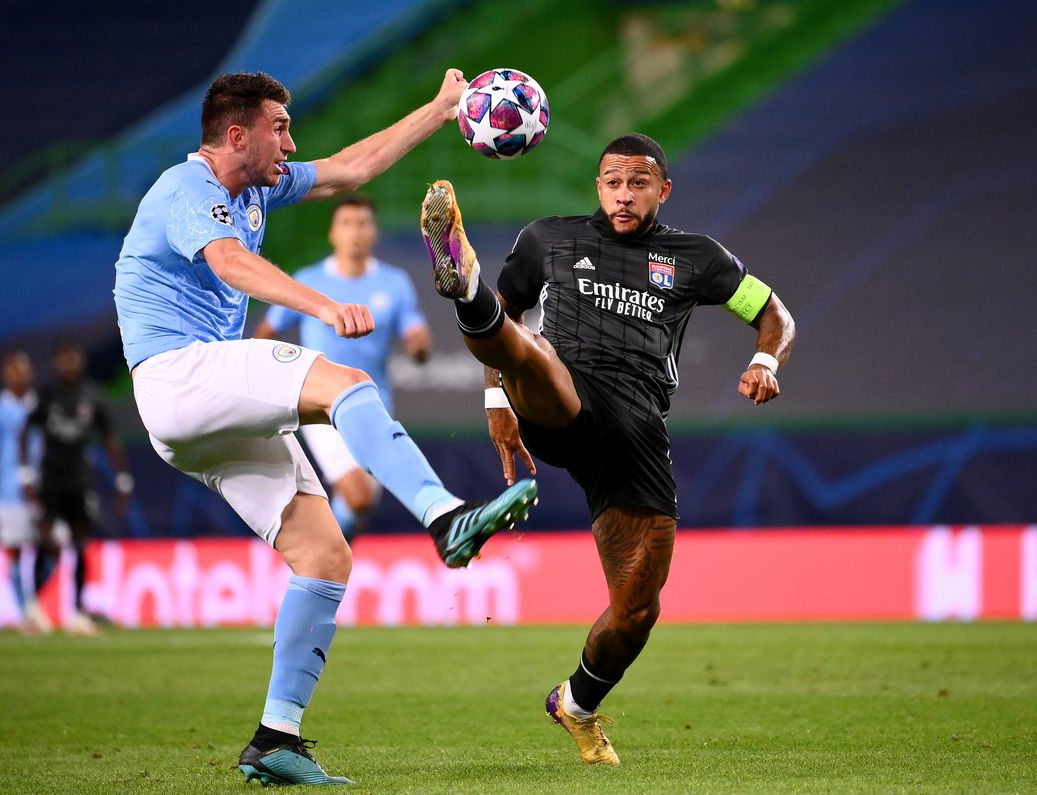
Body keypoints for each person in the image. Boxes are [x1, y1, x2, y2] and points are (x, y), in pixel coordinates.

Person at [112, 70, 537, 786]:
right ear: (237, 135)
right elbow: (230, 261)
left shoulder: (258, 188)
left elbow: (350, 168)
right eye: (279, 129)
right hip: (176, 374)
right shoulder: (186, 188)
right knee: (349, 384)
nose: (291, 143)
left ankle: (275, 738)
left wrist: (439, 109)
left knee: (325, 556)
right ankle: (445, 516)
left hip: (202, 407)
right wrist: (324, 305)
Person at [419, 133, 797, 765]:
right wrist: (496, 401)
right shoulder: (548, 239)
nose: (624, 195)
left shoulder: (698, 257)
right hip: (565, 398)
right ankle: (465, 286)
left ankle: (576, 703)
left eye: (637, 184)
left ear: (662, 190)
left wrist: (765, 361)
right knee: (532, 350)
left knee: (637, 609)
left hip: (636, 431)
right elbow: (513, 315)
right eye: (613, 183)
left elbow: (775, 315)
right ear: (598, 186)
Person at [253, 194, 432, 544]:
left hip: (374, 407)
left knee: (359, 507)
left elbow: (418, 346)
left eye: (363, 223)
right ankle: (319, 559)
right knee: (358, 495)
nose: (355, 232)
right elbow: (266, 332)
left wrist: (419, 344)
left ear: (374, 232)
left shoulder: (394, 283)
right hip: (321, 405)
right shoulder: (308, 281)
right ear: (333, 233)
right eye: (347, 224)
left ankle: (325, 561)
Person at [18, 339, 133, 637]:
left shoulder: (91, 395)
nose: (71, 365)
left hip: (80, 479)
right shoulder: (47, 393)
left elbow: (108, 436)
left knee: (81, 544)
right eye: (65, 359)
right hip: (50, 478)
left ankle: (78, 613)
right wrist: (25, 472)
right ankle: (34, 609)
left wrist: (122, 476)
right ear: (58, 362)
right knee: (46, 541)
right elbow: (25, 429)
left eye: (75, 359)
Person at [0, 350, 51, 633]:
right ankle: (25, 614)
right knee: (16, 553)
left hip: (44, 490)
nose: (18, 376)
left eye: (22, 370)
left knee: (54, 546)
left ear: (30, 372)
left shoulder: (42, 405)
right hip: (9, 492)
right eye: (12, 370)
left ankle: (31, 602)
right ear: (5, 375)